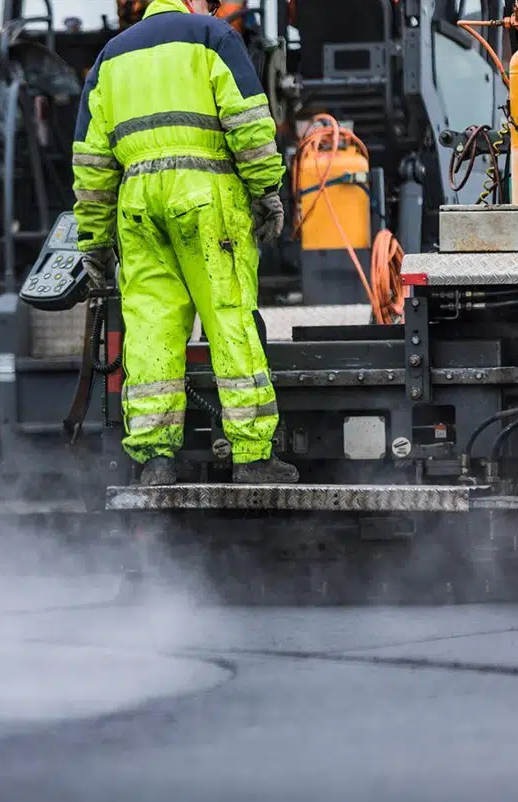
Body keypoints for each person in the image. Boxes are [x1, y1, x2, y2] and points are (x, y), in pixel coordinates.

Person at [71, 0, 299, 486]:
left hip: (137, 204)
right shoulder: (213, 36)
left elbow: (91, 161)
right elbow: (249, 123)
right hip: (207, 199)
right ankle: (252, 456)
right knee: (229, 319)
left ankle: (156, 459)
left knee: (151, 328)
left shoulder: (111, 56)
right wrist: (266, 191)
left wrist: (93, 237)